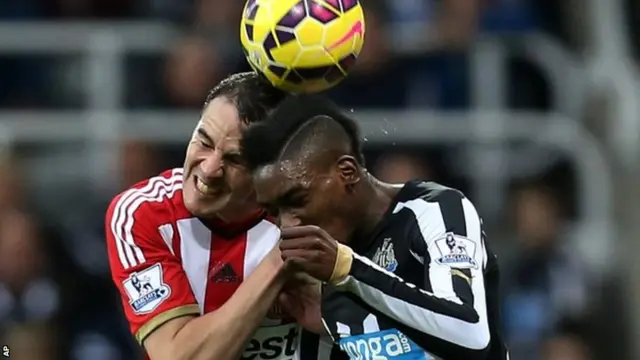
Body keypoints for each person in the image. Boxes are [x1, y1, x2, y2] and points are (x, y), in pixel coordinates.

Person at [239, 94, 510, 360]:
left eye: (297, 200)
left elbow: (470, 334)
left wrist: (348, 269)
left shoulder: (434, 210)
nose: (287, 225)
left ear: (347, 172)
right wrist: (327, 331)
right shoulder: (327, 271)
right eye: (275, 212)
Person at [105, 72, 334, 360]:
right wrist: (279, 261)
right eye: (204, 141)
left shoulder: (323, 214)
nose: (209, 169)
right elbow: (178, 357)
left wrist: (338, 323)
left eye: (235, 159)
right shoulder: (142, 214)